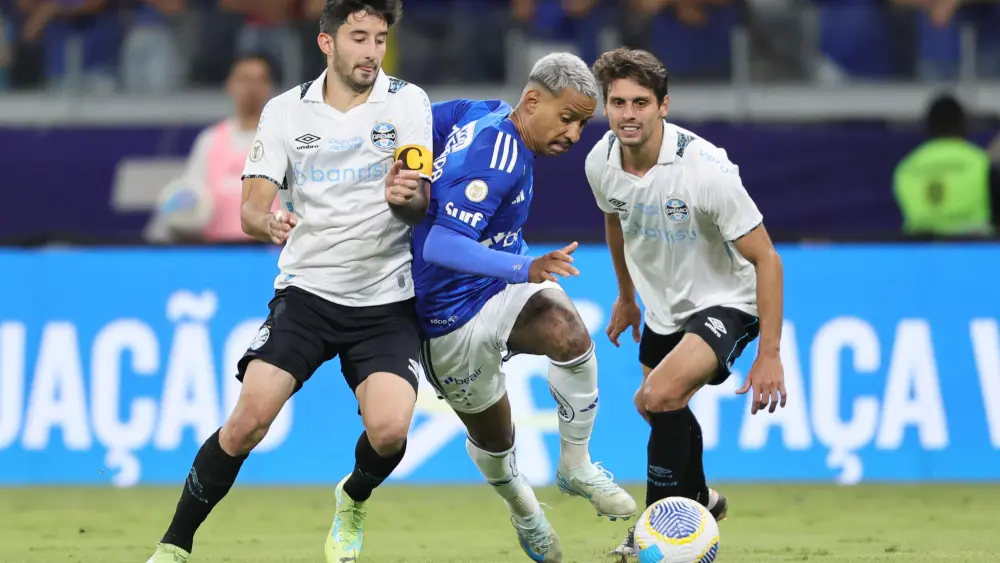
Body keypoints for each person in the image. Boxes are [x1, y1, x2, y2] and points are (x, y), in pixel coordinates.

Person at [144, 2, 434, 563]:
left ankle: (352, 499)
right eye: (359, 37)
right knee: (247, 422)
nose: (372, 51)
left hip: (386, 299)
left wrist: (408, 198)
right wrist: (268, 221)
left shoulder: (408, 102)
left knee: (390, 432)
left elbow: (417, 199)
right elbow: (252, 208)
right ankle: (174, 546)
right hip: (307, 294)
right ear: (328, 43)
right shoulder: (285, 112)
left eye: (379, 38)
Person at [403, 53, 637, 563]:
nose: (574, 135)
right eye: (567, 118)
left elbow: (414, 115)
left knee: (568, 332)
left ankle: (575, 465)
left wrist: (411, 166)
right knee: (495, 436)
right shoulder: (498, 158)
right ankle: (526, 511)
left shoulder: (477, 111)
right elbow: (440, 245)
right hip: (447, 316)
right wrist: (524, 268)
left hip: (497, 288)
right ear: (532, 101)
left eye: (582, 123)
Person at [583, 48, 787, 560]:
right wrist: (626, 296)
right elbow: (615, 223)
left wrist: (769, 353)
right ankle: (698, 498)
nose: (628, 114)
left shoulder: (705, 171)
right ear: (606, 107)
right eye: (617, 103)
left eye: (640, 103)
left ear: (663, 106)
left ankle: (654, 531)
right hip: (662, 306)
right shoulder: (600, 161)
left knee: (660, 395)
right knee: (651, 404)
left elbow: (768, 260)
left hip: (728, 300)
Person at [145, 53, 279, 244]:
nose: (251, 88)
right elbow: (189, 195)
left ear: (269, 87)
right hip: (217, 254)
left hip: (270, 256)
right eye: (244, 80)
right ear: (230, 85)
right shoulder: (210, 141)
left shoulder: (285, 141)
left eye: (259, 80)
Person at [894, 93, 1000, 237]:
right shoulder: (981, 164)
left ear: (928, 127)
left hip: (923, 253)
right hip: (973, 251)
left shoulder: (906, 168)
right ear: (964, 124)